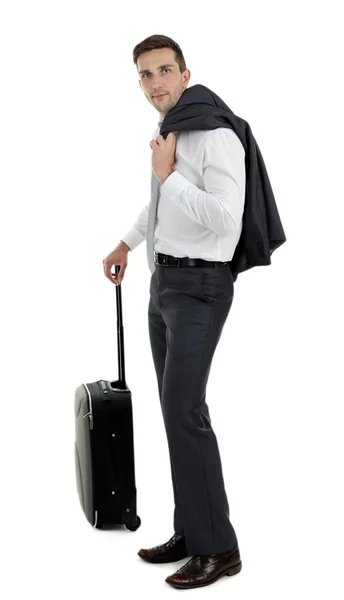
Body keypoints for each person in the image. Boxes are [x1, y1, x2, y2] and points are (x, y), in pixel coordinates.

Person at [102, 34, 243, 590]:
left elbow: (224, 222)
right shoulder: (171, 132)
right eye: (145, 74)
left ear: (186, 74)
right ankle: (192, 530)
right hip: (165, 284)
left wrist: (169, 174)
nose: (155, 82)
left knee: (185, 413)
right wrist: (126, 244)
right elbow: (157, 204)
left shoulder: (216, 135)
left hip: (203, 287)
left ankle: (221, 549)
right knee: (174, 413)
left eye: (164, 70)